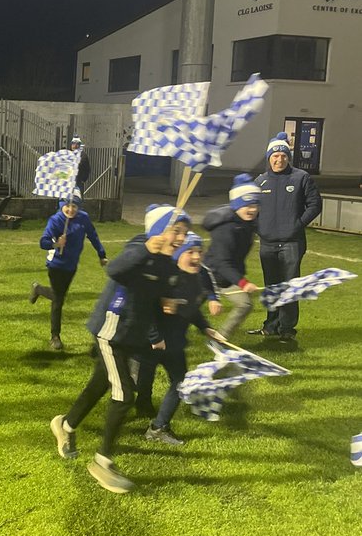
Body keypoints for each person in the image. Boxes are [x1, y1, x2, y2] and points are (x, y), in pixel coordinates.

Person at [49, 204, 190, 494]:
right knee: (123, 394)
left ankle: (65, 425)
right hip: (112, 331)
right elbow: (115, 270)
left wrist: (169, 302)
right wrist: (149, 246)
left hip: (133, 336)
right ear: (159, 230)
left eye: (185, 234)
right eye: (176, 231)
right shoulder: (139, 247)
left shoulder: (167, 262)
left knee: (100, 384)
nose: (181, 238)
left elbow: (161, 294)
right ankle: (103, 462)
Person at [134, 232, 223, 445]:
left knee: (178, 380)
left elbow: (190, 308)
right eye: (190, 252)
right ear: (178, 254)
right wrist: (155, 338)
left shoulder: (196, 278)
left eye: (199, 252)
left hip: (172, 342)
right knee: (157, 376)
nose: (196, 257)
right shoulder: (166, 278)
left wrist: (205, 328)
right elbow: (143, 309)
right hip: (153, 340)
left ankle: (151, 417)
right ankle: (153, 422)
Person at [251, 131, 322, 342]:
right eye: (275, 156)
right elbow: (250, 208)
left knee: (290, 286)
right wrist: (259, 228)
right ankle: (270, 326)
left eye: (283, 156)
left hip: (292, 242)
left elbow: (315, 204)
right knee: (271, 286)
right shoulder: (260, 181)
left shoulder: (301, 177)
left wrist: (297, 225)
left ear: (288, 157)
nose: (279, 159)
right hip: (268, 243)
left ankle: (287, 329)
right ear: (269, 158)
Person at [29, 186, 106, 351]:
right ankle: (55, 337)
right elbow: (43, 241)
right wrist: (55, 243)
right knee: (58, 300)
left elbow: (93, 235)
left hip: (71, 265)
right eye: (67, 206)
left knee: (60, 296)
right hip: (56, 265)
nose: (71, 209)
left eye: (75, 206)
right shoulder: (55, 220)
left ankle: (39, 289)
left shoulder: (83, 218)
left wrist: (101, 254)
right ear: (61, 205)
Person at [201, 174, 262, 341]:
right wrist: (243, 282)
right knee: (186, 310)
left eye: (255, 204)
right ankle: (164, 337)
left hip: (227, 278)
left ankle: (220, 339)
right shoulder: (226, 229)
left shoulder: (248, 224)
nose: (252, 209)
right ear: (236, 205)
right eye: (246, 205)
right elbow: (222, 262)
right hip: (207, 276)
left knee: (245, 304)